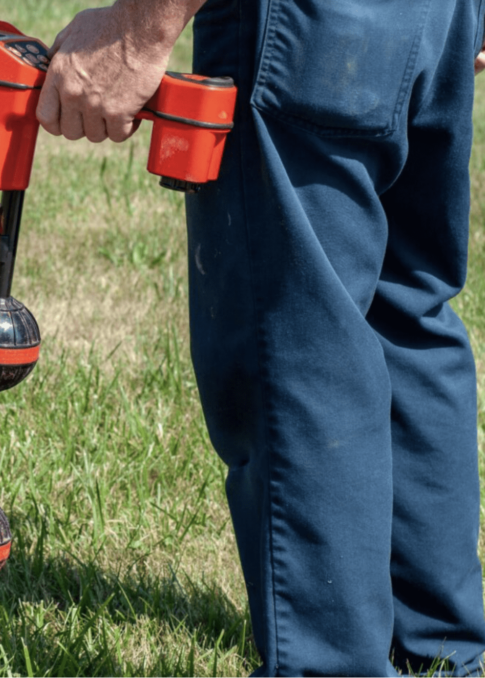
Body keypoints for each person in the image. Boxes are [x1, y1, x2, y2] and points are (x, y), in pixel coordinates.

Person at [38, 1, 485, 676]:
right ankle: (445, 655)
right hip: (435, 17)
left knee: (300, 349)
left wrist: (139, 28)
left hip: (306, 25)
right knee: (405, 314)